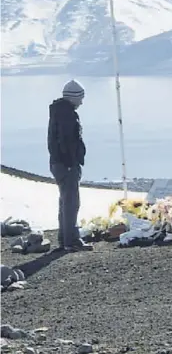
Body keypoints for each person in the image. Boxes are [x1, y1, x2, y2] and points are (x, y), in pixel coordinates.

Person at [47, 79, 93, 252]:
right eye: (80, 98)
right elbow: (66, 140)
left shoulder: (60, 112)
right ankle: (71, 241)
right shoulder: (67, 115)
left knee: (66, 201)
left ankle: (65, 239)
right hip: (66, 165)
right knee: (71, 202)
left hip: (59, 164)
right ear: (73, 97)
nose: (82, 101)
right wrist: (69, 163)